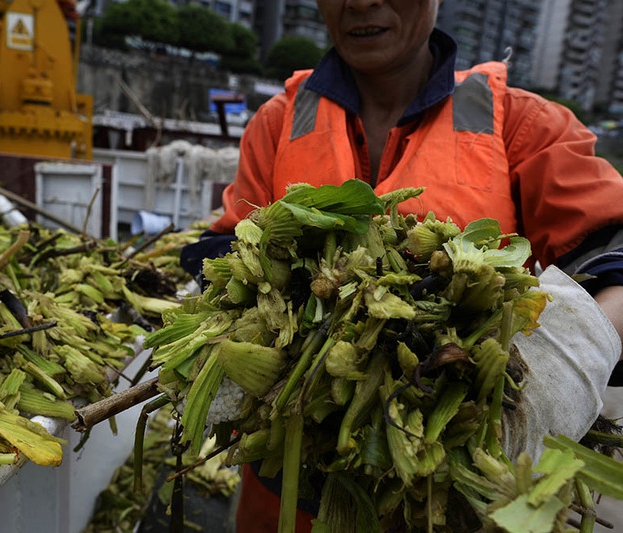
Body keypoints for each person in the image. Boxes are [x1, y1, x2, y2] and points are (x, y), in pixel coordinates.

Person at [179, 0, 623, 531]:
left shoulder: (521, 121)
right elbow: (227, 247)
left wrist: (569, 362)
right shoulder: (278, 122)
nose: (361, 3)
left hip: (450, 487)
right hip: (288, 485)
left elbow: (613, 248)